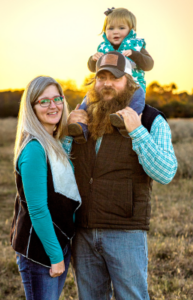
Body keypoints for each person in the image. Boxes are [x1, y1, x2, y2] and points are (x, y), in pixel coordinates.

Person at [66, 52, 178, 300]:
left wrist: (137, 131)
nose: (107, 83)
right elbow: (61, 168)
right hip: (82, 231)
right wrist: (65, 134)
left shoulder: (150, 120)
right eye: (101, 77)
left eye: (115, 78)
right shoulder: (82, 119)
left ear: (130, 81)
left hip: (125, 232)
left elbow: (166, 173)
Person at [10, 76, 81, 300]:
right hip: (40, 253)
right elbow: (38, 209)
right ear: (31, 108)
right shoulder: (34, 149)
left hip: (57, 245)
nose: (53, 106)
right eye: (44, 101)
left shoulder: (53, 142)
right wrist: (55, 256)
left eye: (57, 99)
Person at [69, 7, 154, 142]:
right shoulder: (103, 48)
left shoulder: (136, 46)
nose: (115, 32)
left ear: (131, 30)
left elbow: (149, 65)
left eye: (121, 28)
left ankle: (125, 122)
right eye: (110, 28)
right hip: (108, 87)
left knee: (138, 99)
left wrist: (135, 54)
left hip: (134, 85)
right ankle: (79, 127)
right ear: (105, 31)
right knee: (88, 98)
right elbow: (93, 69)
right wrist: (93, 59)